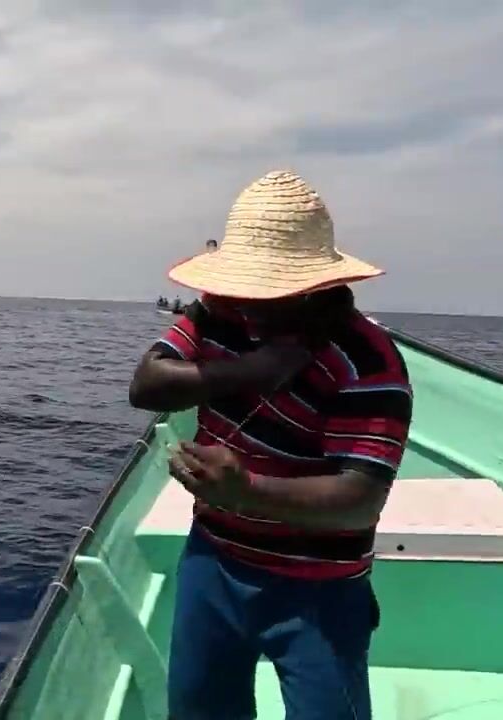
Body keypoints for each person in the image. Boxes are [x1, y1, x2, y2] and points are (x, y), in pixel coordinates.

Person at [128, 170, 413, 720]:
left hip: (319, 588)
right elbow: (146, 385)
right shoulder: (218, 310)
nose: (248, 305)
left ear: (315, 288)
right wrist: (251, 371)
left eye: (267, 291)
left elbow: (360, 499)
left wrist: (246, 491)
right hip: (211, 561)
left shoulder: (368, 361)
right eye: (243, 285)